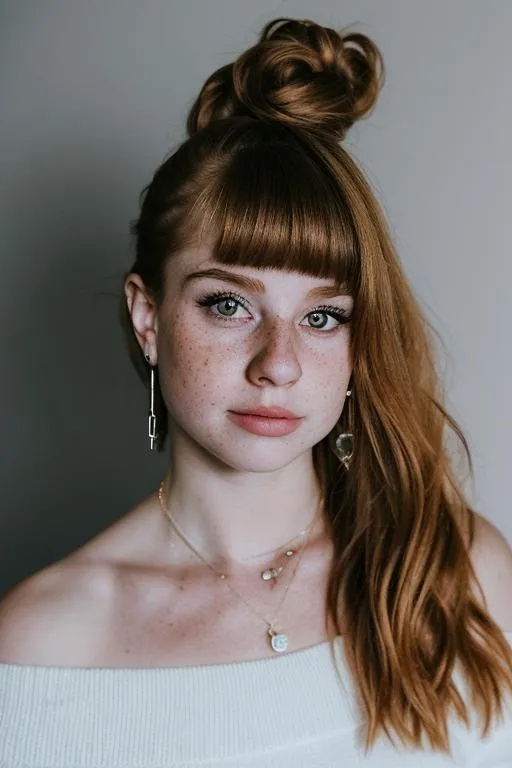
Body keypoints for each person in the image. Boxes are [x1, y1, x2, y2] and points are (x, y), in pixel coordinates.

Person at [0, 16, 511, 768]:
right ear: (148, 317)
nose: (280, 363)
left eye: (324, 316)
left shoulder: (457, 574)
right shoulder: (42, 644)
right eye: (228, 304)